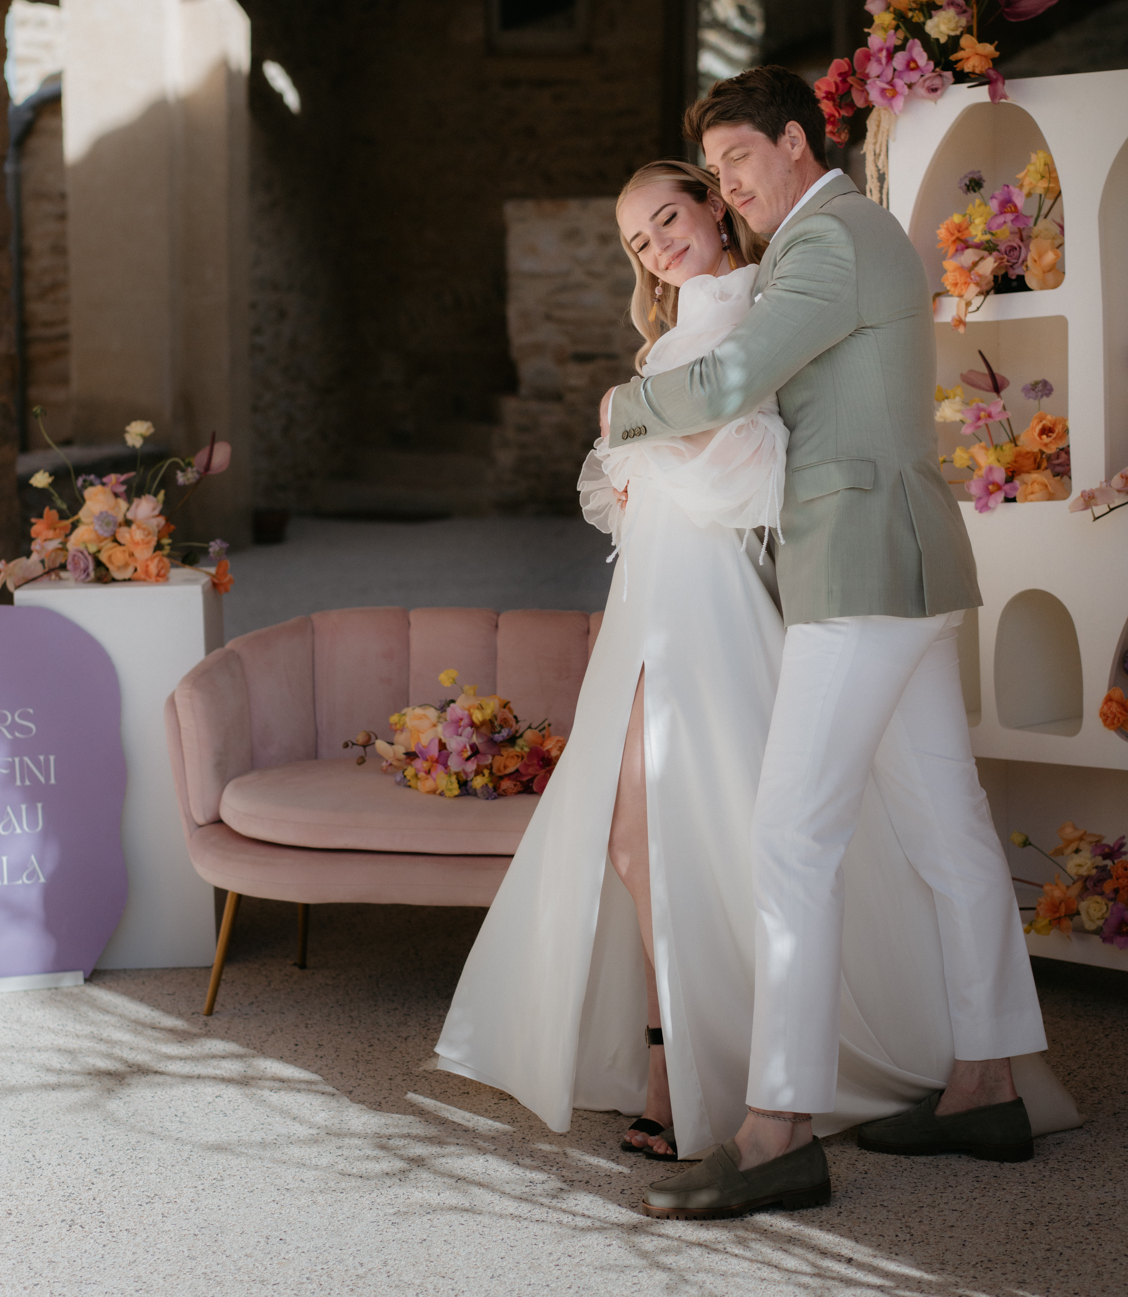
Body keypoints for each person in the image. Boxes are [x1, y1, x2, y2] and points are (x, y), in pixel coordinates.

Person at [435, 151, 1074, 1199]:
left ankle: (757, 1112)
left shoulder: (777, 283)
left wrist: (629, 418)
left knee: (766, 834)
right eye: (636, 240)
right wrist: (642, 439)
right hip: (726, 583)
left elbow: (743, 446)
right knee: (684, 829)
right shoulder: (740, 296)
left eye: (675, 212)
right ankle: (937, 1079)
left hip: (757, 589)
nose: (660, 242)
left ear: (724, 202)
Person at [600, 66, 1054, 1221]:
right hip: (896, 563)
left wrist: (624, 411)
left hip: (857, 568)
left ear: (796, 142)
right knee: (946, 833)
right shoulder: (841, 235)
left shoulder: (827, 241)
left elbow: (741, 378)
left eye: (738, 161)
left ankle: (775, 1131)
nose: (729, 186)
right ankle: (985, 1085)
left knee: (789, 837)